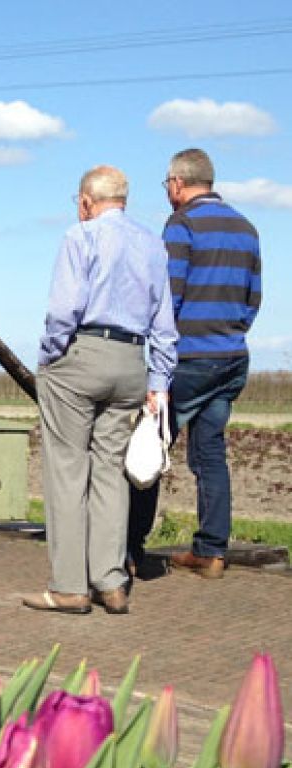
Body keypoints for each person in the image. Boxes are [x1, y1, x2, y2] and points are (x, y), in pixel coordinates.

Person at [22, 166, 177, 616]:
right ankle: (111, 581)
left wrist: (50, 356)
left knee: (68, 469)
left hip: (82, 353)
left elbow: (64, 308)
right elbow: (164, 325)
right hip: (132, 361)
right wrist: (158, 381)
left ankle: (70, 586)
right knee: (111, 469)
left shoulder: (80, 236)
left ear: (87, 200)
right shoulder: (152, 244)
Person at [127, 149, 262, 580]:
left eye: (167, 184)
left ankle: (129, 549)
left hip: (189, 358)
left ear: (179, 183)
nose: (167, 191)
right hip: (232, 357)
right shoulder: (247, 227)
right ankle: (211, 552)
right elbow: (253, 298)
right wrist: (232, 331)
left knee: (149, 448)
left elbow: (168, 296)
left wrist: (160, 355)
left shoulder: (181, 225)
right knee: (210, 453)